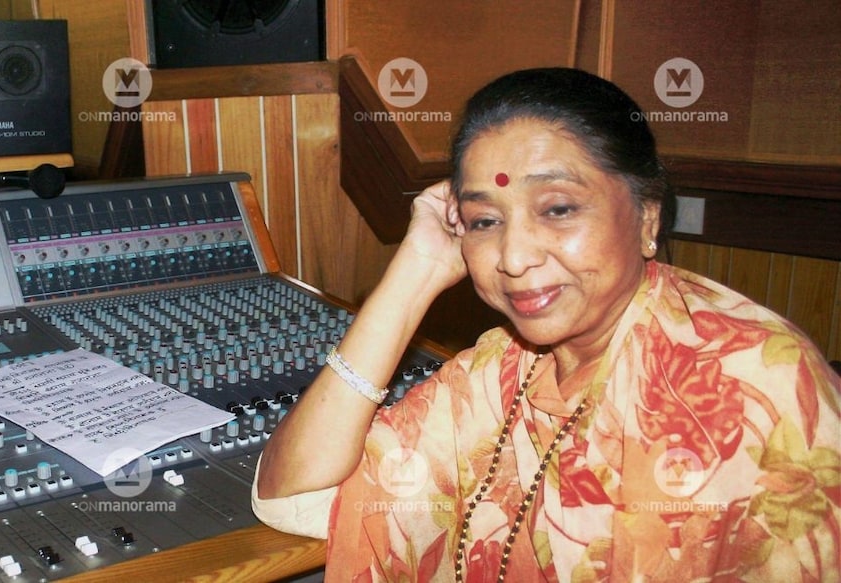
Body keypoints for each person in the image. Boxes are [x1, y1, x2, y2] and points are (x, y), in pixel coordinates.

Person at [252, 67, 841, 582]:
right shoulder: (503, 367)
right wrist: (416, 272)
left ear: (647, 216)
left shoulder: (757, 381)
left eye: (557, 210)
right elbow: (293, 494)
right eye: (484, 220)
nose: (513, 257)